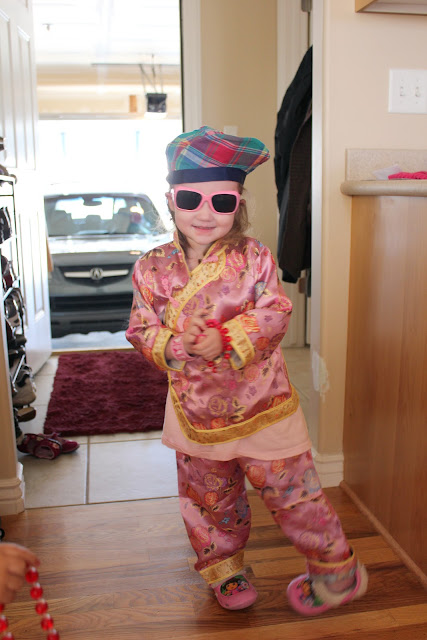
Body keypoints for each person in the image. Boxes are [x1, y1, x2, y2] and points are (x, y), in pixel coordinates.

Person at [126, 126, 368, 615]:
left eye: (222, 201)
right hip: (195, 413)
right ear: (170, 200)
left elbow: (275, 310)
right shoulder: (150, 268)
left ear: (238, 204)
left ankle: (336, 570)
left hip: (264, 404)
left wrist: (229, 337)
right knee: (209, 499)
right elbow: (140, 327)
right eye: (190, 199)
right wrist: (176, 344)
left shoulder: (254, 257)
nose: (205, 213)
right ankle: (225, 571)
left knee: (295, 493)